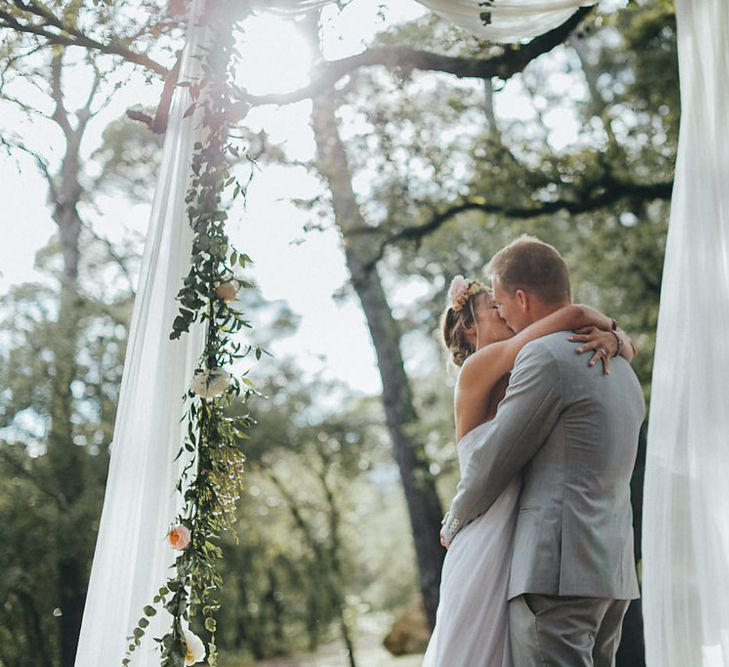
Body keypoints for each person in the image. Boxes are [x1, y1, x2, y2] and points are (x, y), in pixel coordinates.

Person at [432, 236, 644, 667]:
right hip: (601, 565)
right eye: (493, 309)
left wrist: (454, 519)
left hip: (552, 567)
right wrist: (619, 339)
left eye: (502, 303)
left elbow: (494, 462)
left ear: (523, 298)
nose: (504, 312)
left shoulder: (543, 360)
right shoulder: (619, 369)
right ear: (469, 328)